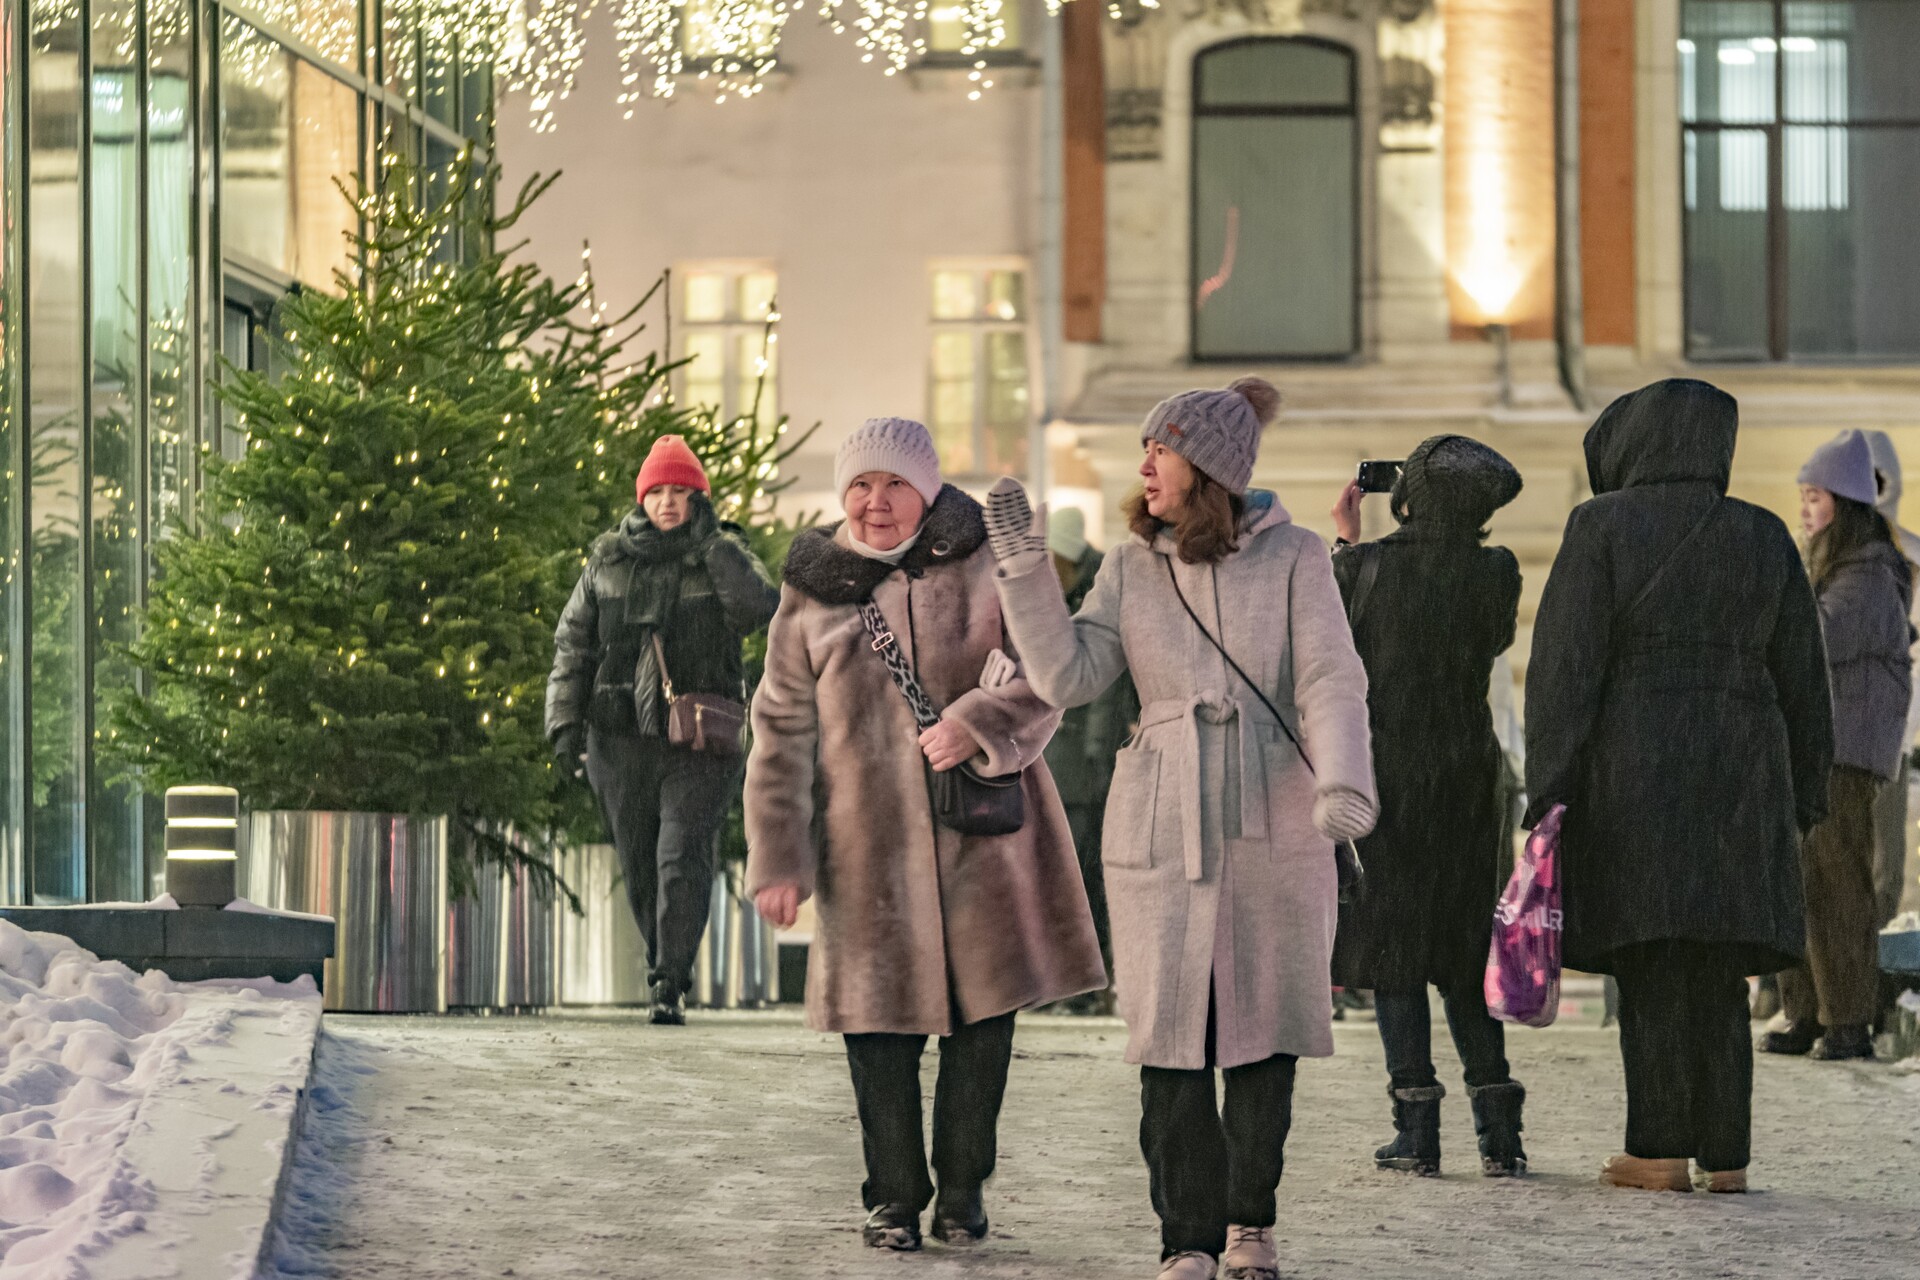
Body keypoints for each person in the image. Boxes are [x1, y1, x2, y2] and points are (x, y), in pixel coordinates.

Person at [987, 377, 1376, 1280]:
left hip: (1275, 812)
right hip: (1162, 818)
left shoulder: (1297, 557)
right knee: (1169, 1039)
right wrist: (1024, 572)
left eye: (1159, 448)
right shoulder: (1131, 565)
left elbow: (1330, 677)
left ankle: (1250, 1226)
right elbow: (1068, 676)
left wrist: (1344, 781)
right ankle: (1185, 1238)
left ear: (1207, 465)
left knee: (1263, 1035)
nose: (1145, 466)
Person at [744, 417, 1105, 1253]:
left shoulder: (984, 561)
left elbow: (1048, 673)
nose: (876, 502)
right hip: (864, 845)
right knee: (877, 1029)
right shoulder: (813, 589)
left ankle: (963, 1187)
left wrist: (977, 723)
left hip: (982, 839)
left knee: (984, 1022)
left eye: (895, 484)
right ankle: (894, 1198)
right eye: (860, 485)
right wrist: (780, 858)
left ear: (928, 489)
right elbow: (781, 726)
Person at [1526, 378, 1832, 1195]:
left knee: (1653, 956)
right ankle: (1726, 1156)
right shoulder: (1763, 533)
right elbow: (1806, 676)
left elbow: (1564, 667)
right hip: (1743, 769)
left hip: (1636, 769)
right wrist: (1807, 789)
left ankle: (1657, 1148)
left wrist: (1550, 783)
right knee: (1720, 964)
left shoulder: (1601, 526)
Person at [1327, 436, 1527, 1179]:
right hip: (1468, 774)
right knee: (1466, 945)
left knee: (1396, 948)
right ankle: (1499, 1129)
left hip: (1391, 771)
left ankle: (1416, 1128)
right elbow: (1494, 641)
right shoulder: (1497, 571)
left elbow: (1335, 646)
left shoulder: (1366, 566)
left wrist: (1347, 543)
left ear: (1409, 495)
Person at [545, 435, 780, 1025]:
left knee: (682, 853)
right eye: (657, 492)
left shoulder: (723, 551)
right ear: (642, 498)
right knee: (639, 860)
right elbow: (574, 646)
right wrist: (564, 724)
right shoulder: (607, 559)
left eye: (680, 491)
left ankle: (670, 978)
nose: (668, 503)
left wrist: (714, 548)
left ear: (698, 497)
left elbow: (759, 611)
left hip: (699, 739)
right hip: (618, 737)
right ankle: (662, 964)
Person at [1761, 430, 1913, 1062]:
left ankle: (1847, 1018)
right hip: (1815, 745)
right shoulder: (1828, 566)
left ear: (1845, 503)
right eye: (1802, 495)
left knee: (1837, 879)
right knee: (1799, 879)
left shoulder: (1870, 571)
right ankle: (1805, 1012)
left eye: (1815, 496)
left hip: (1845, 749)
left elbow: (1814, 638)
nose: (1804, 507)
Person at [1042, 506, 1138, 1014]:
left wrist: (1102, 755)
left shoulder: (1102, 587)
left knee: (1086, 873)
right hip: (1056, 757)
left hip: (1089, 764)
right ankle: (1061, 980)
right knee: (1061, 873)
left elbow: (1107, 687)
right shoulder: (1051, 591)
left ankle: (1085, 982)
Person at [1864, 431, 1920, 927]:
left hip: (1891, 735)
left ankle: (1871, 967)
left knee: (1885, 870)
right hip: (1837, 734)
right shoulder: (1821, 550)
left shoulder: (1913, 557)